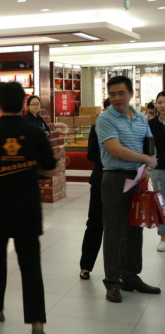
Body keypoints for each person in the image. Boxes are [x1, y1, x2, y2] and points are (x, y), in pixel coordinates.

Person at [0, 82, 57, 334]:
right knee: (31, 265)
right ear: (24, 102)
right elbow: (51, 170)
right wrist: (29, 165)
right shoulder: (35, 131)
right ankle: (37, 323)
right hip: (28, 207)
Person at [96, 76, 159, 303]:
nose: (117, 98)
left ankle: (131, 277)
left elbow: (149, 145)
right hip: (115, 178)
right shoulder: (105, 119)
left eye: (121, 93)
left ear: (131, 93)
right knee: (114, 231)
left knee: (135, 229)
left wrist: (147, 166)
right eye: (112, 94)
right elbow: (116, 150)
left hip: (138, 178)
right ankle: (112, 283)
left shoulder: (141, 117)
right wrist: (146, 160)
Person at [79, 98, 111, 280]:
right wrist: (108, 159)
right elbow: (91, 154)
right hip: (99, 180)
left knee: (118, 227)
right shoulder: (96, 128)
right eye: (108, 109)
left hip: (122, 182)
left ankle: (118, 271)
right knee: (94, 223)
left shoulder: (126, 128)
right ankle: (85, 265)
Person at [149, 91, 165, 251]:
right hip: (159, 168)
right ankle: (163, 237)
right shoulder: (151, 124)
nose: (162, 105)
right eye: (160, 102)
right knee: (161, 203)